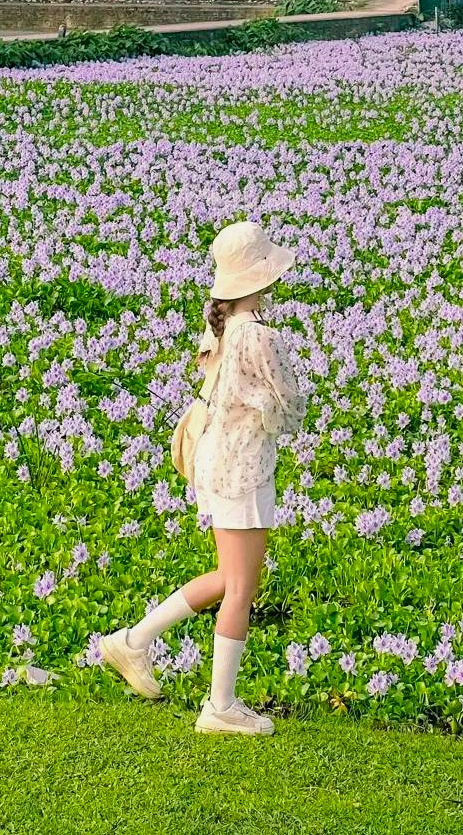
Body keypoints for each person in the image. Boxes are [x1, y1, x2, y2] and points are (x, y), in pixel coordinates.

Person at [101, 221, 306, 736]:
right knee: (241, 586)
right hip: (245, 466)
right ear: (260, 278)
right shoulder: (260, 337)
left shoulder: (218, 327)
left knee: (225, 578)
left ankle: (132, 641)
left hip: (214, 461)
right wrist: (277, 417)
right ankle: (220, 706)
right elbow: (290, 407)